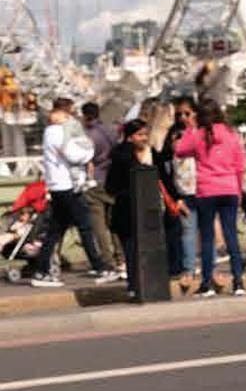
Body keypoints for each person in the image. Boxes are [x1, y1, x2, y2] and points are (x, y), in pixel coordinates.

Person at [30, 97, 117, 289]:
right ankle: (100, 266)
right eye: (70, 113)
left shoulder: (52, 131)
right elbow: (73, 154)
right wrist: (88, 152)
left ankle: (41, 270)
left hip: (61, 185)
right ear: (62, 113)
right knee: (85, 225)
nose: (72, 118)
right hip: (66, 186)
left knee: (55, 230)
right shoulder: (57, 132)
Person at [174, 96, 246, 297]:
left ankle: (206, 283)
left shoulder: (198, 135)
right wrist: (239, 190)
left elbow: (179, 150)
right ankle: (238, 281)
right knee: (231, 236)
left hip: (207, 190)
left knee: (207, 238)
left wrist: (189, 129)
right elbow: (240, 165)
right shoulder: (231, 134)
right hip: (229, 187)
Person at [105, 117, 183, 297]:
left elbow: (164, 177)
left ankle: (156, 280)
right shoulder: (121, 155)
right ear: (130, 137)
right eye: (139, 135)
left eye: (145, 134)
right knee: (131, 249)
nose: (144, 138)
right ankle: (134, 286)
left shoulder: (152, 153)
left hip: (151, 208)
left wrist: (176, 198)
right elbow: (111, 186)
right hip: (128, 210)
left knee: (156, 245)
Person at [161, 95, 200, 293]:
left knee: (206, 231)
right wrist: (175, 196)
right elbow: (166, 165)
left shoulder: (204, 132)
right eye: (179, 114)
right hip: (184, 190)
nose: (183, 117)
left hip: (205, 187)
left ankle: (210, 268)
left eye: (187, 113)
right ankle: (188, 269)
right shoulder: (174, 134)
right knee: (188, 231)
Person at [80, 101, 120, 273]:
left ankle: (107, 260)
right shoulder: (110, 131)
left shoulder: (88, 136)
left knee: (99, 224)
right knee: (114, 222)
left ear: (84, 116)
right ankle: (121, 256)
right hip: (111, 179)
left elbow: (85, 160)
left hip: (95, 180)